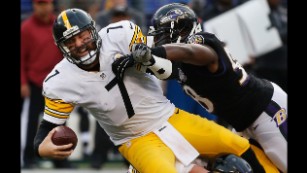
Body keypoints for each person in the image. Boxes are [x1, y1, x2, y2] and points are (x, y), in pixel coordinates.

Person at [34, 8, 277, 173]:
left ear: (93, 30)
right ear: (62, 47)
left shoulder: (121, 34)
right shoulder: (60, 80)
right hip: (134, 139)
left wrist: (144, 60)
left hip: (170, 117)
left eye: (83, 35)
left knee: (239, 146)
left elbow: (169, 70)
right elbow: (46, 130)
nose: (79, 44)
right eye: (70, 41)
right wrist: (42, 148)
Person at [128, 3, 287, 172]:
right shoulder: (178, 63)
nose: (159, 41)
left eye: (164, 35)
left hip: (265, 110)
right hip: (242, 124)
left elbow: (191, 52)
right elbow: (158, 70)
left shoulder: (202, 41)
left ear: (182, 31)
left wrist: (157, 52)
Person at [20, 0, 72, 169]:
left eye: (46, 3)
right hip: (35, 82)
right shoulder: (26, 28)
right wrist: (22, 82)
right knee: (31, 123)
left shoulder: (58, 25)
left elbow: (66, 54)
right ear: (34, 5)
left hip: (57, 84)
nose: (43, 7)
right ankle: (28, 158)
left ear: (51, 5)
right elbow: (21, 58)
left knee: (60, 123)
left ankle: (61, 160)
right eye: (39, 3)